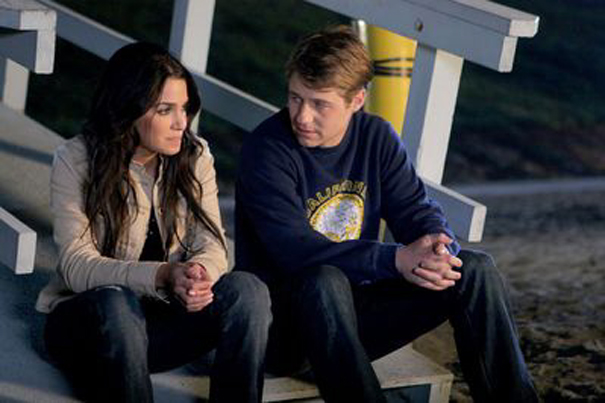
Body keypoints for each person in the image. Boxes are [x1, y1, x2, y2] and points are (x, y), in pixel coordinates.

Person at [235, 26, 538, 403]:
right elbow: (293, 250)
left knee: (473, 269)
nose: (303, 116)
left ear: (357, 100)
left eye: (320, 104)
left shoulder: (376, 136)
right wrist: (395, 259)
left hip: (355, 316)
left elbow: (414, 209)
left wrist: (438, 249)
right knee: (323, 279)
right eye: (296, 98)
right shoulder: (266, 150)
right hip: (285, 329)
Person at [36, 42, 271, 403]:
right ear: (129, 108)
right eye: (165, 110)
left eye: (185, 108)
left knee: (247, 289)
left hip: (160, 328)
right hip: (93, 328)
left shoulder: (194, 156)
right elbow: (76, 266)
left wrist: (198, 274)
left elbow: (211, 241)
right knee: (116, 302)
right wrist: (162, 275)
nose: (182, 122)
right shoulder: (75, 159)